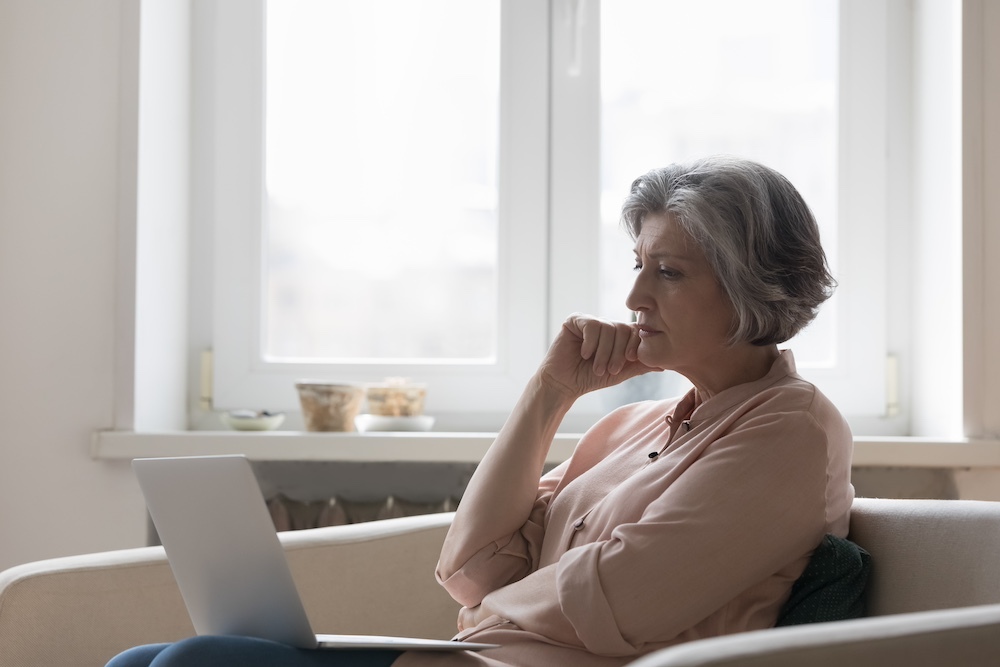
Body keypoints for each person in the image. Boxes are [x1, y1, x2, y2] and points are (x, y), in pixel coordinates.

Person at [107, 155, 853, 667]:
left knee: (199, 661)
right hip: (478, 657)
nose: (633, 299)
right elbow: (470, 568)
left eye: (668, 272)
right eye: (637, 266)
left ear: (751, 285)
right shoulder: (637, 424)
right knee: (138, 660)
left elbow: (621, 601)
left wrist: (486, 621)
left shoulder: (791, 431)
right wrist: (549, 392)